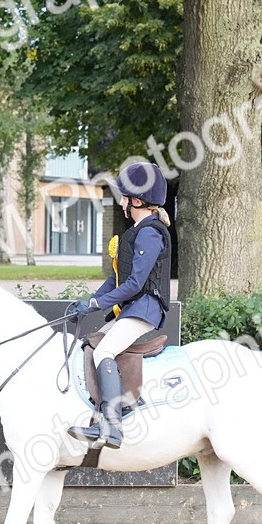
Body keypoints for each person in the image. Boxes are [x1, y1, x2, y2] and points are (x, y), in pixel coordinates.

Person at [68, 161, 172, 449]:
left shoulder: (150, 233)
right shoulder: (137, 231)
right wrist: (89, 301)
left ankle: (112, 426)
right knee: (93, 344)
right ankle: (103, 413)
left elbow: (135, 284)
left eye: (125, 198)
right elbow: (117, 279)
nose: (121, 202)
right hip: (133, 307)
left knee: (104, 351)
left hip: (145, 308)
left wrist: (97, 303)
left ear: (137, 201)